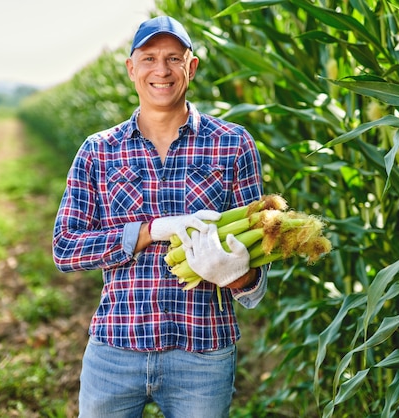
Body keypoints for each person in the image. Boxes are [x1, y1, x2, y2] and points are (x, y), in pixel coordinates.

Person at [52, 15, 268, 418]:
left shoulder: (234, 144)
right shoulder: (99, 151)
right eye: (149, 58)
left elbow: (255, 287)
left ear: (192, 66)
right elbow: (65, 248)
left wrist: (235, 274)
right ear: (132, 69)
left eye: (173, 58)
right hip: (115, 349)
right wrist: (148, 232)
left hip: (202, 354)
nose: (162, 70)